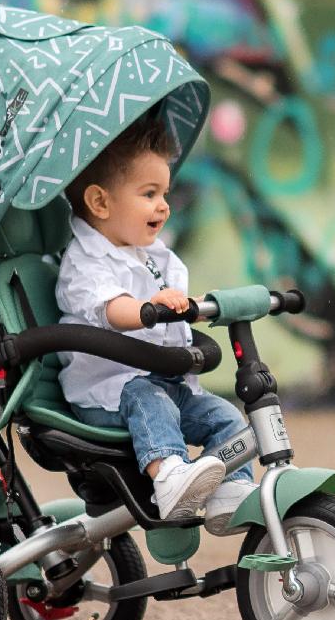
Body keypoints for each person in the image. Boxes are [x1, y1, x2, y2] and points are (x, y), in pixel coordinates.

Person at [55, 111, 255, 530]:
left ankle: (229, 493)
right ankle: (168, 477)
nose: (163, 205)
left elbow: (175, 305)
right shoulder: (85, 263)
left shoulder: (152, 257)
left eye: (164, 192)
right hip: (108, 396)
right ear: (100, 202)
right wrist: (148, 309)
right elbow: (111, 309)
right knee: (147, 396)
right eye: (149, 193)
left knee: (226, 417)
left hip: (169, 385)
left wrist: (203, 306)